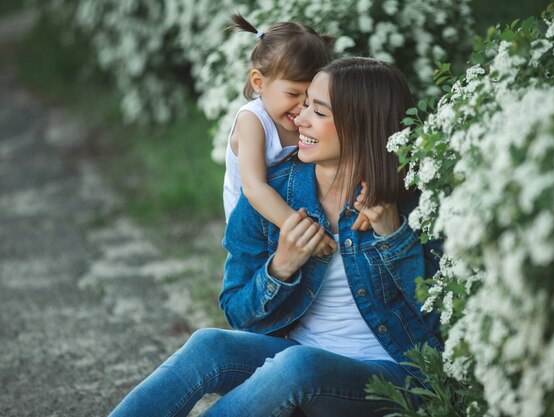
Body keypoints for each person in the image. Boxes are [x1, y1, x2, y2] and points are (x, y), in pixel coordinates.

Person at [108, 57, 443, 417]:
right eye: (304, 105)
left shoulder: (419, 203)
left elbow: (442, 323)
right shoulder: (273, 194)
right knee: (209, 345)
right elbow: (238, 314)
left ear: (362, 126)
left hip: (392, 376)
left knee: (298, 364)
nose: (299, 119)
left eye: (318, 111)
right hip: (295, 365)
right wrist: (280, 268)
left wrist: (395, 238)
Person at [223, 14, 348, 256]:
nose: (303, 107)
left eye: (311, 97)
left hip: (297, 215)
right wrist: (303, 232)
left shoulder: (308, 119)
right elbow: (254, 187)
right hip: (254, 231)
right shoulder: (253, 121)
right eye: (292, 94)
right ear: (259, 83)